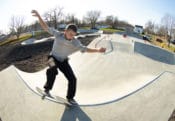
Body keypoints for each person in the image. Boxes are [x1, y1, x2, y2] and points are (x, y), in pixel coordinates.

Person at [31, 10, 106, 104]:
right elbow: (46, 28)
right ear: (65, 31)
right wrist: (39, 16)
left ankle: (70, 98)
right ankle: (47, 89)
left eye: (73, 35)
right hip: (52, 57)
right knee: (53, 70)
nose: (71, 37)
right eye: (70, 34)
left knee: (73, 79)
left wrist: (98, 50)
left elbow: (85, 49)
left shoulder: (75, 42)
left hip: (63, 61)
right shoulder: (58, 34)